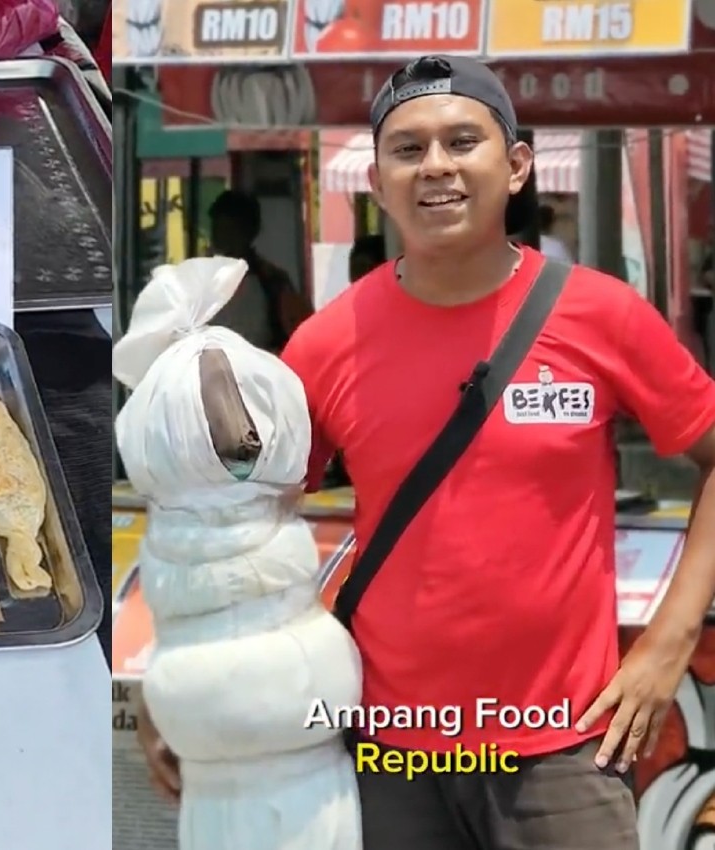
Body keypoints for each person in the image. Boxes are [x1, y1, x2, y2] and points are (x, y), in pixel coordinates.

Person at [136, 54, 715, 850]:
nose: (435, 166)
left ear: (514, 167)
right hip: (388, 755)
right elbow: (222, 517)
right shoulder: (327, 344)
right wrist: (183, 694)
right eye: (408, 149)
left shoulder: (602, 315)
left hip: (564, 748)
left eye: (461, 141)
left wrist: (667, 643)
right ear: (377, 181)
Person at [206, 189, 312, 353]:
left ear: (250, 232)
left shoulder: (274, 284)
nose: (223, 240)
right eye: (218, 231)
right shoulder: (199, 283)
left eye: (230, 231)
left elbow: (302, 336)